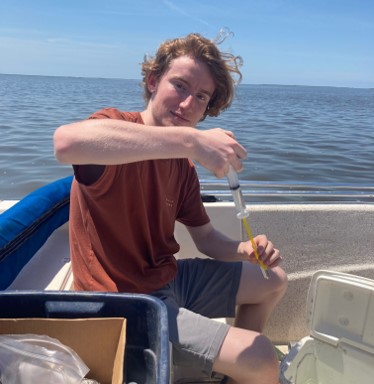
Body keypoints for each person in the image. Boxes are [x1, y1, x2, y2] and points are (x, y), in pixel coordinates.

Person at [54, 33, 288, 384]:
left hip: (168, 278)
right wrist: (192, 140)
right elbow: (67, 143)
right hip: (122, 301)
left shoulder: (182, 165)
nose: (189, 103)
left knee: (274, 281)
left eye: (202, 97)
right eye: (180, 85)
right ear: (152, 81)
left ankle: (231, 374)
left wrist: (243, 250)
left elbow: (206, 237)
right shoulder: (116, 126)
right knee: (260, 355)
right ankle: (244, 366)